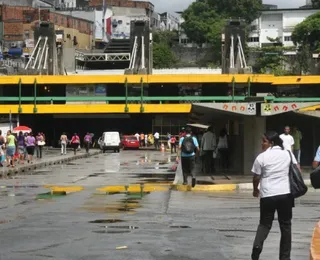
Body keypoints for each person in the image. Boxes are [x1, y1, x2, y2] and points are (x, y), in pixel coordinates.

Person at [251, 131, 297, 260]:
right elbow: (296, 168)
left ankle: (257, 247)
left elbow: (256, 177)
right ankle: (285, 257)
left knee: (264, 224)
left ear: (271, 143)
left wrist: (255, 190)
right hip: (285, 194)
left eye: (264, 141)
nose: (262, 143)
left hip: (267, 195)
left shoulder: (262, 157)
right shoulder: (287, 154)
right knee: (286, 226)